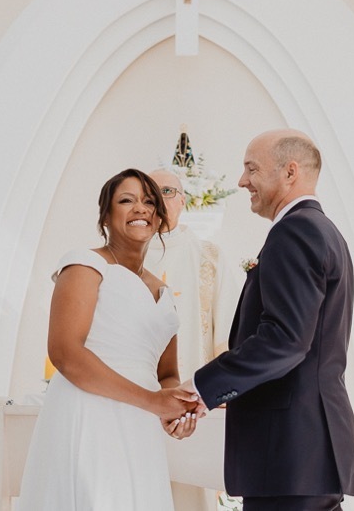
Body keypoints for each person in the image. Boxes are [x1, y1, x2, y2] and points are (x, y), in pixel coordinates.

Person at [184, 129, 354, 511]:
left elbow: (285, 339)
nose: (241, 181)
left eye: (251, 169)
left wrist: (204, 388)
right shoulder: (325, 232)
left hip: (288, 450)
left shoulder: (294, 231)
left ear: (290, 172)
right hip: (307, 451)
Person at [18, 169, 202, 511]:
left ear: (160, 218)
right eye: (126, 200)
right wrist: (151, 402)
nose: (140, 209)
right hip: (88, 412)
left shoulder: (163, 292)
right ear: (106, 214)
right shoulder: (84, 265)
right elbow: (65, 354)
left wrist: (173, 411)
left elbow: (166, 374)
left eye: (149, 202)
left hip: (139, 428)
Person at [145, 168, 243, 511]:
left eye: (167, 191)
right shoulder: (125, 256)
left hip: (191, 405)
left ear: (183, 201)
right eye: (149, 193)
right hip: (135, 400)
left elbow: (231, 329)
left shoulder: (209, 257)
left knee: (187, 495)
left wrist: (223, 390)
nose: (157, 200)